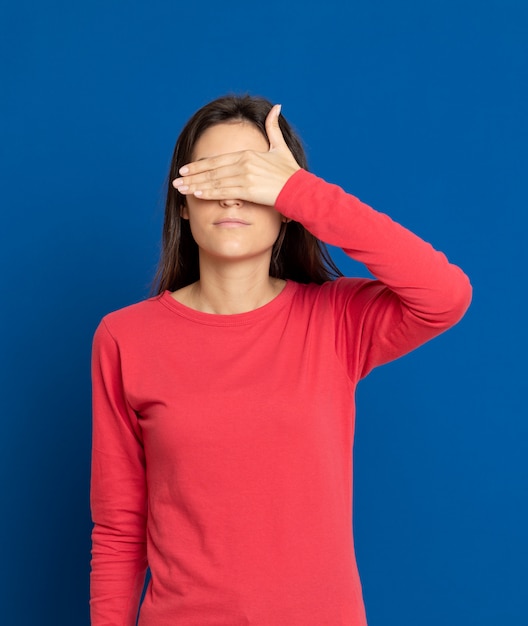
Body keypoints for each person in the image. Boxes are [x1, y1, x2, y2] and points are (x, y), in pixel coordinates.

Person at [89, 94, 472, 626]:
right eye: (213, 178)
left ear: (284, 206)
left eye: (250, 178)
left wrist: (300, 191)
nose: (232, 199)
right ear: (181, 200)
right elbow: (119, 526)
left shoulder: (336, 320)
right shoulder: (125, 336)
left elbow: (445, 294)